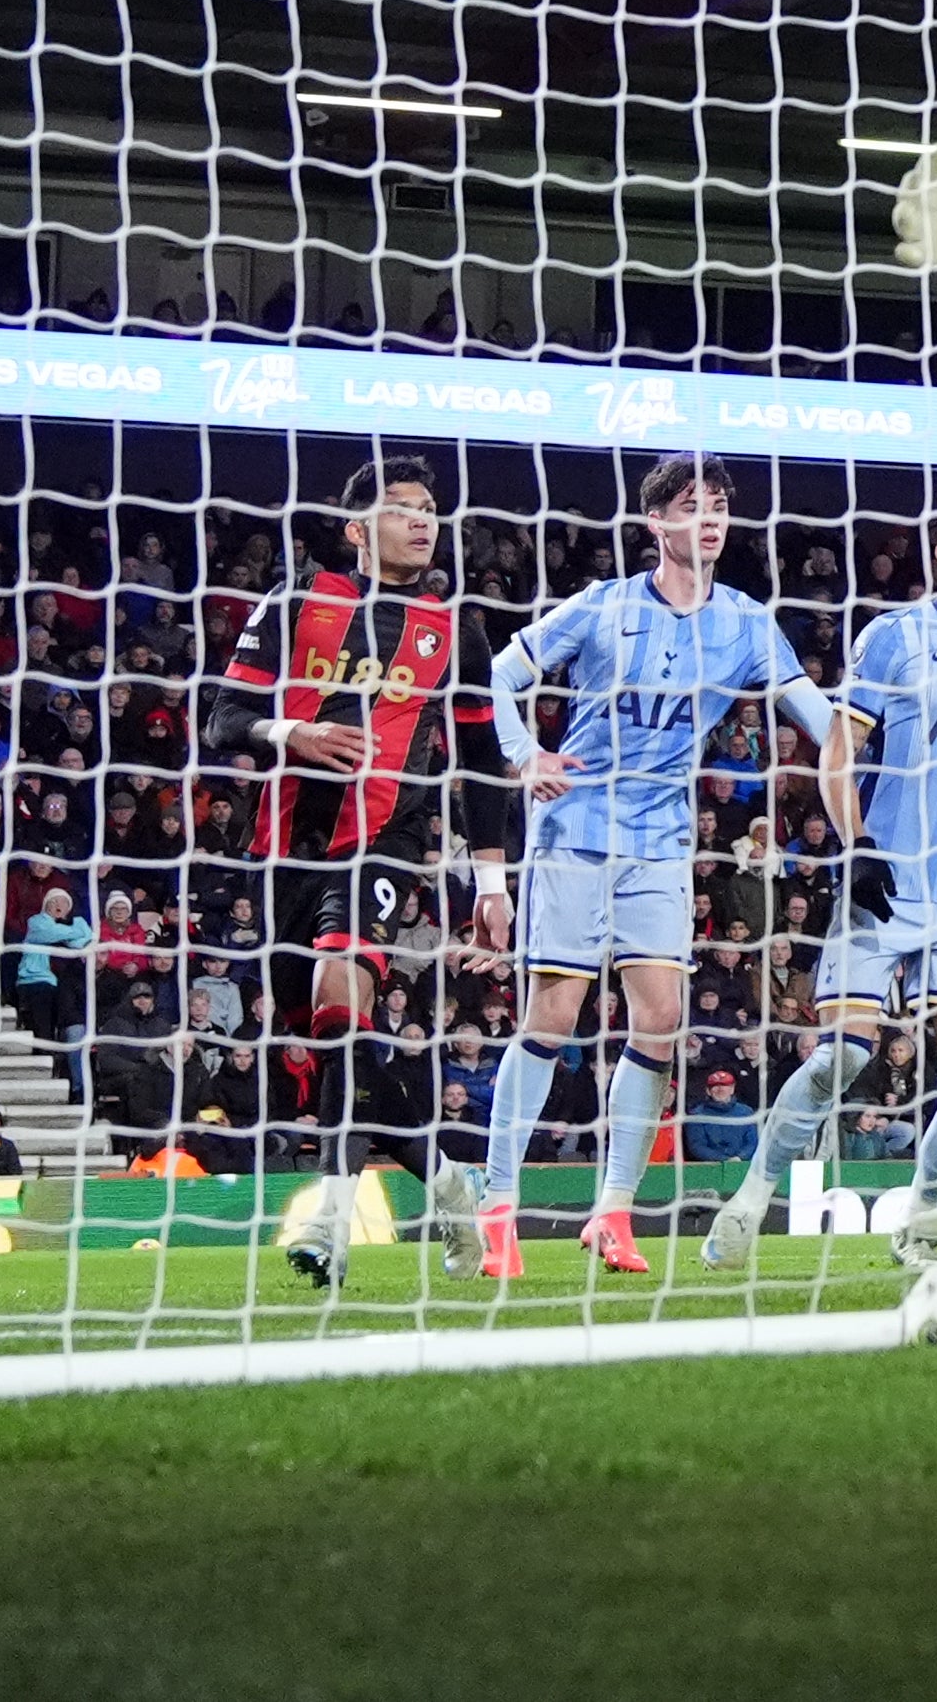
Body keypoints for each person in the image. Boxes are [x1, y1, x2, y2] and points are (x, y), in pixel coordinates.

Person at [474, 457, 835, 1281]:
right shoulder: (603, 608)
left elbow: (813, 714)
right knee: (554, 1014)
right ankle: (498, 1206)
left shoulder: (746, 622)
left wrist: (869, 732)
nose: (708, 519)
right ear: (654, 524)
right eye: (689, 505)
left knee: (663, 1017)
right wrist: (523, 753)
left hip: (662, 840)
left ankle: (613, 1210)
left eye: (718, 506)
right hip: (574, 830)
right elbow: (497, 672)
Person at [204, 453, 504, 1292]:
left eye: (430, 508)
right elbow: (223, 718)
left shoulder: (456, 628)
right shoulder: (297, 601)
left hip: (386, 841)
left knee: (343, 1004)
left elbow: (481, 759)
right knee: (340, 1046)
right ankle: (449, 1184)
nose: (422, 520)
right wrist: (290, 735)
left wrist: (491, 884)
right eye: (402, 507)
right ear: (356, 528)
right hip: (283, 853)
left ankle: (329, 1221)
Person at [706, 491, 937, 1272]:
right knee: (841, 1057)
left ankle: (923, 1223)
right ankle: (748, 1202)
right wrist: (856, 841)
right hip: (888, 879)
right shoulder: (896, 637)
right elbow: (839, 746)